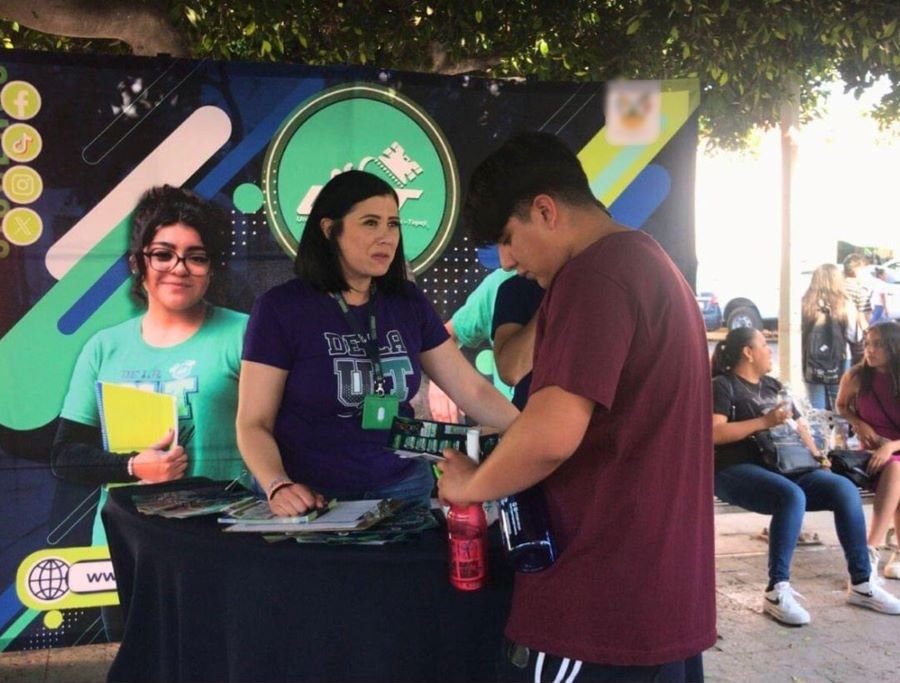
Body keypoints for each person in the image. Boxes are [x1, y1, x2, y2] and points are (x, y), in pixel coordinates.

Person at [437, 132, 715, 681]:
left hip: (595, 604)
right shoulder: (652, 263)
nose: (509, 261)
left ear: (545, 209)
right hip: (657, 598)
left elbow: (551, 434)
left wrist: (468, 484)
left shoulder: (593, 277)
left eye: (509, 240)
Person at [236, 170, 518, 516]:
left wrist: (534, 437)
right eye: (371, 223)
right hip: (311, 498)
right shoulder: (281, 308)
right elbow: (253, 423)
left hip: (402, 489)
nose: (386, 237)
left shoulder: (407, 302)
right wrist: (277, 484)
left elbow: (473, 391)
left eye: (393, 224)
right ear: (329, 229)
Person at [52, 185, 249, 636]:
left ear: (211, 268)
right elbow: (65, 455)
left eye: (195, 256)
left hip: (224, 544)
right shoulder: (104, 347)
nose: (179, 268)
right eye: (164, 253)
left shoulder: (246, 335)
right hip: (129, 551)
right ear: (139, 262)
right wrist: (134, 466)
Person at [712, 326, 900, 625]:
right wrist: (763, 421)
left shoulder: (772, 386)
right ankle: (777, 589)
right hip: (736, 469)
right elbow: (714, 432)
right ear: (748, 352)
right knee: (791, 496)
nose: (769, 350)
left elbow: (799, 425)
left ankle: (862, 583)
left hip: (787, 466)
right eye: (763, 344)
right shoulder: (723, 386)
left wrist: (817, 456)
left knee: (843, 489)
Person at [836, 321, 900, 579]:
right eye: (867, 344)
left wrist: (891, 448)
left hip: (892, 452)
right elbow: (841, 406)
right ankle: (874, 553)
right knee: (896, 469)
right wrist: (859, 423)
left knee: (896, 467)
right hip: (872, 454)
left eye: (878, 345)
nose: (870, 351)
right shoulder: (856, 376)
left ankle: (869, 549)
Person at [427, 267, 515, 423]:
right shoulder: (501, 282)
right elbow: (446, 336)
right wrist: (441, 383)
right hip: (512, 427)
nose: (507, 261)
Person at [801, 263, 861, 410]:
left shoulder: (805, 303)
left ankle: (818, 433)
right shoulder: (845, 304)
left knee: (816, 406)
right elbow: (855, 336)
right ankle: (838, 432)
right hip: (840, 359)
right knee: (839, 404)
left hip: (812, 359)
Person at [842, 253, 871, 365]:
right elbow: (863, 316)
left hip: (836, 335)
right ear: (857, 270)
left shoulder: (837, 286)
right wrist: (867, 333)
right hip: (854, 337)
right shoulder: (860, 290)